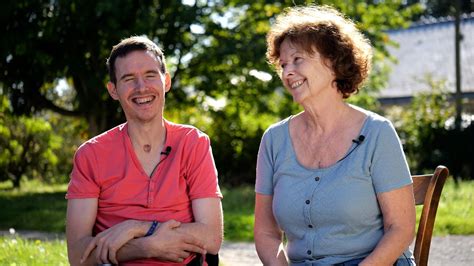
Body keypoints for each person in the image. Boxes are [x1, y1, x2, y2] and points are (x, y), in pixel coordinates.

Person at [254, 5, 416, 266]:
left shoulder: (377, 133)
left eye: (298, 59)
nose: (287, 72)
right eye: (283, 64)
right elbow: (265, 232)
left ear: (333, 61)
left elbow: (401, 228)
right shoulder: (274, 140)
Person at [66, 36, 223, 266]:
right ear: (113, 90)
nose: (141, 87)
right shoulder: (91, 154)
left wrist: (136, 228)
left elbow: (211, 238)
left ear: (166, 81)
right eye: (128, 79)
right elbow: (78, 256)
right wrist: (146, 246)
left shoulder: (193, 143)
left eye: (150, 75)